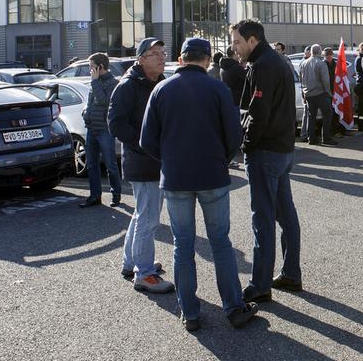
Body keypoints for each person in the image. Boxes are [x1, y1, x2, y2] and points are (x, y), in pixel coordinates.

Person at [140, 37, 258, 332]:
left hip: (176, 177)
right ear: (207, 60)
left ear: (180, 59)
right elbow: (234, 136)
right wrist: (221, 158)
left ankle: (190, 313)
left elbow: (146, 140)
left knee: (183, 245)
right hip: (212, 176)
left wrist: (169, 159)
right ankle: (233, 307)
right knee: (220, 242)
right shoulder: (217, 88)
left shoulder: (161, 90)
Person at [230, 19, 302, 303]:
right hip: (282, 149)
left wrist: (246, 146)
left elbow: (258, 113)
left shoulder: (263, 66)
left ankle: (260, 284)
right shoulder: (276, 61)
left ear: (252, 40)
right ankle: (291, 273)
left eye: (237, 42)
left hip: (266, 152)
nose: (234, 48)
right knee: (285, 215)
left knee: (263, 220)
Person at [108, 37, 174, 293]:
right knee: (148, 218)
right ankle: (144, 274)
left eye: (162, 52)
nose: (161, 57)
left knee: (142, 214)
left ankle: (132, 262)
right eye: (155, 53)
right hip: (143, 162)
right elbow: (116, 124)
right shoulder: (128, 86)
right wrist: (145, 144)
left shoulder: (158, 82)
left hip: (155, 161)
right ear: (141, 59)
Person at [79, 52, 121, 208]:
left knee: (110, 164)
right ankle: (95, 196)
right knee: (91, 164)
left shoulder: (113, 83)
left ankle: (116, 195)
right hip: (91, 128)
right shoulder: (94, 82)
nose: (90, 70)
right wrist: (85, 113)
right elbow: (90, 103)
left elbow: (104, 101)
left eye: (91, 67)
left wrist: (95, 82)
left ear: (100, 67)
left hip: (105, 130)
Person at [299, 44, 338, 146]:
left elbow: (301, 80)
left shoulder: (303, 63)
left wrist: (304, 92)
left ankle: (311, 138)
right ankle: (326, 138)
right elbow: (325, 80)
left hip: (308, 94)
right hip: (321, 93)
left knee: (311, 116)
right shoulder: (321, 64)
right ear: (320, 52)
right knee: (327, 114)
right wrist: (329, 93)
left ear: (311, 52)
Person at [298, 46, 312, 142]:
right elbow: (302, 79)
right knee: (306, 113)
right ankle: (304, 134)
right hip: (306, 90)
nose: (310, 54)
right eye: (308, 52)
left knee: (308, 113)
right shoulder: (304, 63)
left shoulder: (308, 62)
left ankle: (307, 134)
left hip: (308, 90)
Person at [353, 42, 363, 126]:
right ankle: (361, 125)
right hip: (361, 85)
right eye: (362, 49)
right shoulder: (360, 59)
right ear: (359, 49)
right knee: (362, 108)